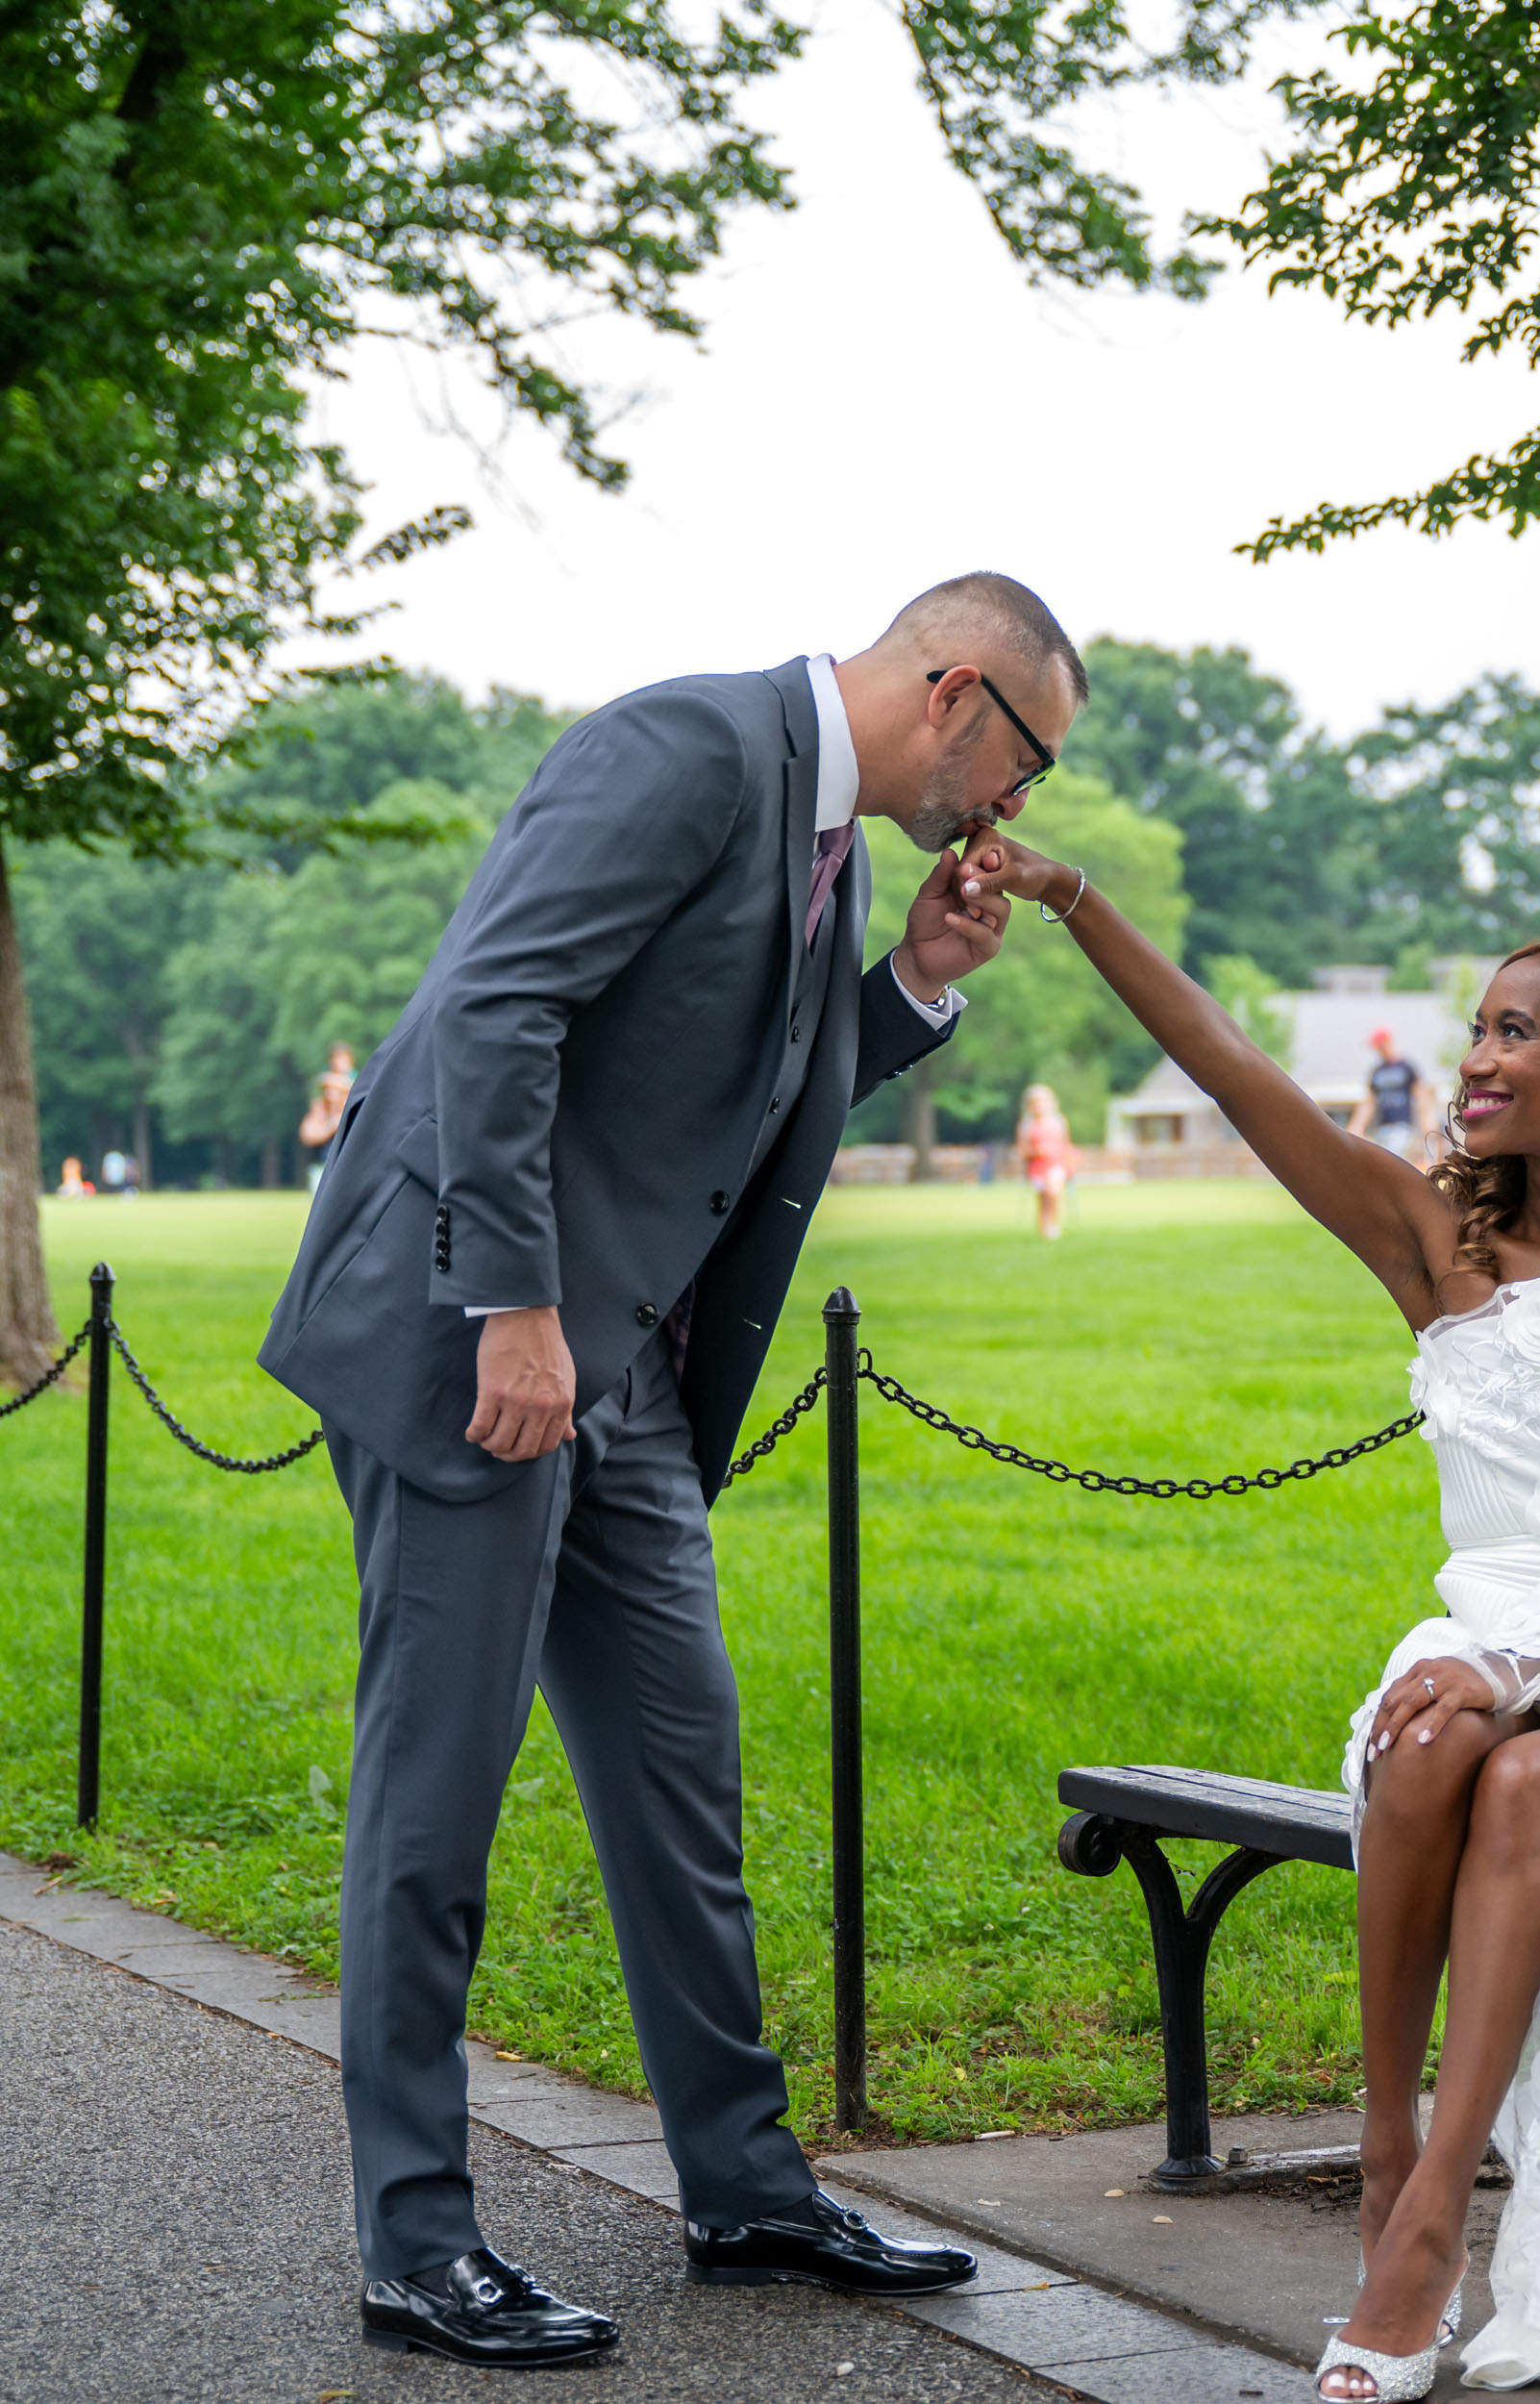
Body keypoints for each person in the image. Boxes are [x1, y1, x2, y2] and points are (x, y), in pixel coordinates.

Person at [259, 574, 1082, 2371]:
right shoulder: (684, 747)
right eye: (1026, 760)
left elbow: (739, 1105)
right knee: (436, 1801)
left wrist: (918, 982)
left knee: (679, 1779)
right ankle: (415, 2243)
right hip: (475, 1347)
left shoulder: (835, 843)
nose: (1018, 808)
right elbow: (497, 1010)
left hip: (616, 1369)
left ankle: (745, 2188)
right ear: (956, 696)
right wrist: (517, 1309)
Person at [964, 833, 1540, 2404]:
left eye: (1514, 1032)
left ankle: (1426, 2238)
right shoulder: (1438, 1246)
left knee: (1527, 1774)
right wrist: (1075, 898)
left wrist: (1513, 1661)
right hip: (1472, 1663)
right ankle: (1387, 2155)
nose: (1473, 1059)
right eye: (1475, 1028)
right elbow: (1227, 1068)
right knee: (1435, 1754)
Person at [1349, 1026, 1430, 1166]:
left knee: (1391, 1162)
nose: (1377, 1050)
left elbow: (1421, 1094)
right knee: (1383, 1162)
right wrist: (1356, 1126)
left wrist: (1426, 1121)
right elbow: (1369, 1101)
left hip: (1401, 1126)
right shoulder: (1377, 1071)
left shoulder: (1406, 1067)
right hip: (1381, 1128)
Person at [1015, 1082, 1076, 1239]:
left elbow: (1066, 1145)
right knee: (1043, 1200)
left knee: (1054, 1193)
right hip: (1037, 1167)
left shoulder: (1059, 1122)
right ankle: (1044, 1229)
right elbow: (1022, 1149)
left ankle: (1054, 1226)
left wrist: (1070, 1161)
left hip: (1056, 1164)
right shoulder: (1026, 1125)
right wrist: (1037, 1151)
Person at [299, 1042, 358, 1194]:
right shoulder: (321, 1109)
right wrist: (329, 1127)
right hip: (324, 1164)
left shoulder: (357, 1088)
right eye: (329, 1091)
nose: (332, 1095)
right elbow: (308, 1135)